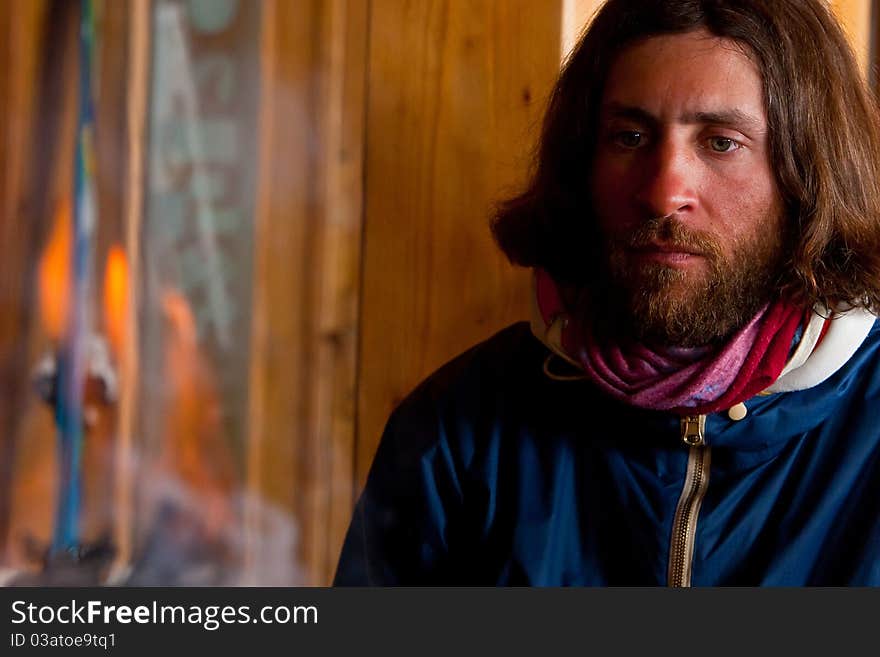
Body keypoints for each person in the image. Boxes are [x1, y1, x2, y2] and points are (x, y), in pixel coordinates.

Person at [334, 0, 880, 586]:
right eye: (630, 136)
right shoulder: (456, 433)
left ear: (808, 175)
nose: (664, 190)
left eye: (721, 142)